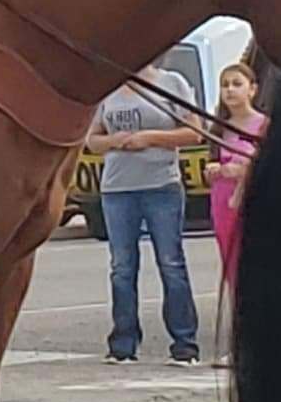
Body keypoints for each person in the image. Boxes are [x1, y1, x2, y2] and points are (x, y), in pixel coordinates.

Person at [89, 68, 205, 366]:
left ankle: (184, 343)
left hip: (161, 185)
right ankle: (123, 343)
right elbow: (92, 140)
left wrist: (151, 137)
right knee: (122, 267)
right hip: (117, 188)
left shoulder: (172, 83)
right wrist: (115, 141)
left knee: (170, 263)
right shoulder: (108, 89)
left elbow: (194, 131)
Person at [202, 60, 269, 298]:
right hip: (223, 199)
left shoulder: (264, 125)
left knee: (256, 255)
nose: (229, 89)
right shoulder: (219, 127)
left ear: (252, 89)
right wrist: (214, 170)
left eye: (236, 84)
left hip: (253, 198)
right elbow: (213, 160)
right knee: (230, 258)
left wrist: (242, 171)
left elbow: (271, 165)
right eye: (225, 85)